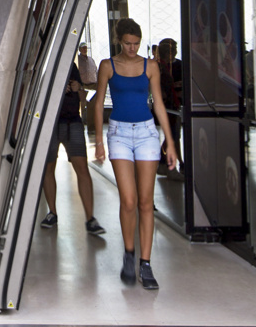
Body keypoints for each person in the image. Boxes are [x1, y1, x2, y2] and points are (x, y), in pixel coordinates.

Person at [95, 15, 178, 290]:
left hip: (146, 134)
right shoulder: (108, 66)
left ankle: (145, 263)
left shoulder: (150, 66)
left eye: (137, 43)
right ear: (120, 41)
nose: (133, 48)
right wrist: (98, 140)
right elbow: (98, 103)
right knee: (128, 201)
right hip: (118, 133)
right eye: (128, 43)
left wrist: (170, 140)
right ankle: (129, 254)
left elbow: (158, 104)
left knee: (146, 202)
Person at [41, 56, 104, 236]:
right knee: (48, 167)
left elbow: (83, 97)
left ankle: (90, 218)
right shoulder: (45, 65)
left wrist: (78, 89)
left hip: (72, 122)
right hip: (50, 123)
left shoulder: (70, 65)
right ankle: (52, 212)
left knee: (81, 167)